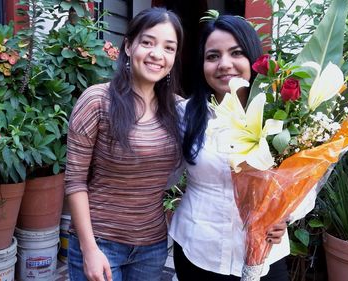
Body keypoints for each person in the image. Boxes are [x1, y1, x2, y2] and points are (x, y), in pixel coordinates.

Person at [168, 15, 315, 281]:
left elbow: (306, 178)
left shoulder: (283, 114)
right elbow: (163, 170)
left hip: (266, 253)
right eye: (212, 56)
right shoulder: (185, 115)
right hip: (198, 247)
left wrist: (287, 216)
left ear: (253, 58)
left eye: (236, 53)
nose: (224, 64)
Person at [64, 7, 184, 281]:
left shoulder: (178, 110)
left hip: (152, 248)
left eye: (169, 47)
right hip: (101, 242)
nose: (157, 54)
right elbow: (75, 181)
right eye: (148, 42)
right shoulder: (97, 101)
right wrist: (89, 248)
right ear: (129, 46)